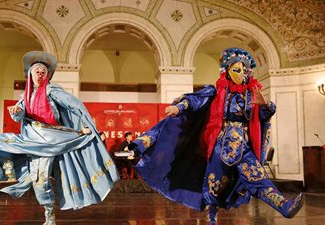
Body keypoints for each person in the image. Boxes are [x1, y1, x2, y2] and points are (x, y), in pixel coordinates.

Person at [129, 48, 304, 224]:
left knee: (258, 178)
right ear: (227, 71)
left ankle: (284, 207)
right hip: (221, 148)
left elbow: (264, 116)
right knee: (215, 186)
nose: (241, 74)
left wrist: (265, 105)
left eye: (244, 70)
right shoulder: (217, 92)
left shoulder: (251, 95)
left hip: (244, 148)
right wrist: (179, 108)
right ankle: (212, 215)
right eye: (236, 70)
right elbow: (196, 100)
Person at [0, 51, 119, 225]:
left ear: (47, 76)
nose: (40, 74)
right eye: (36, 71)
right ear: (30, 74)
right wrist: (17, 112)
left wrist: (85, 125)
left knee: (40, 180)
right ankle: (8, 175)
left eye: (43, 72)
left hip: (51, 139)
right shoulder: (26, 96)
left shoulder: (51, 90)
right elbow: (19, 114)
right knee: (0, 143)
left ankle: (49, 214)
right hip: (31, 137)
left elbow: (74, 104)